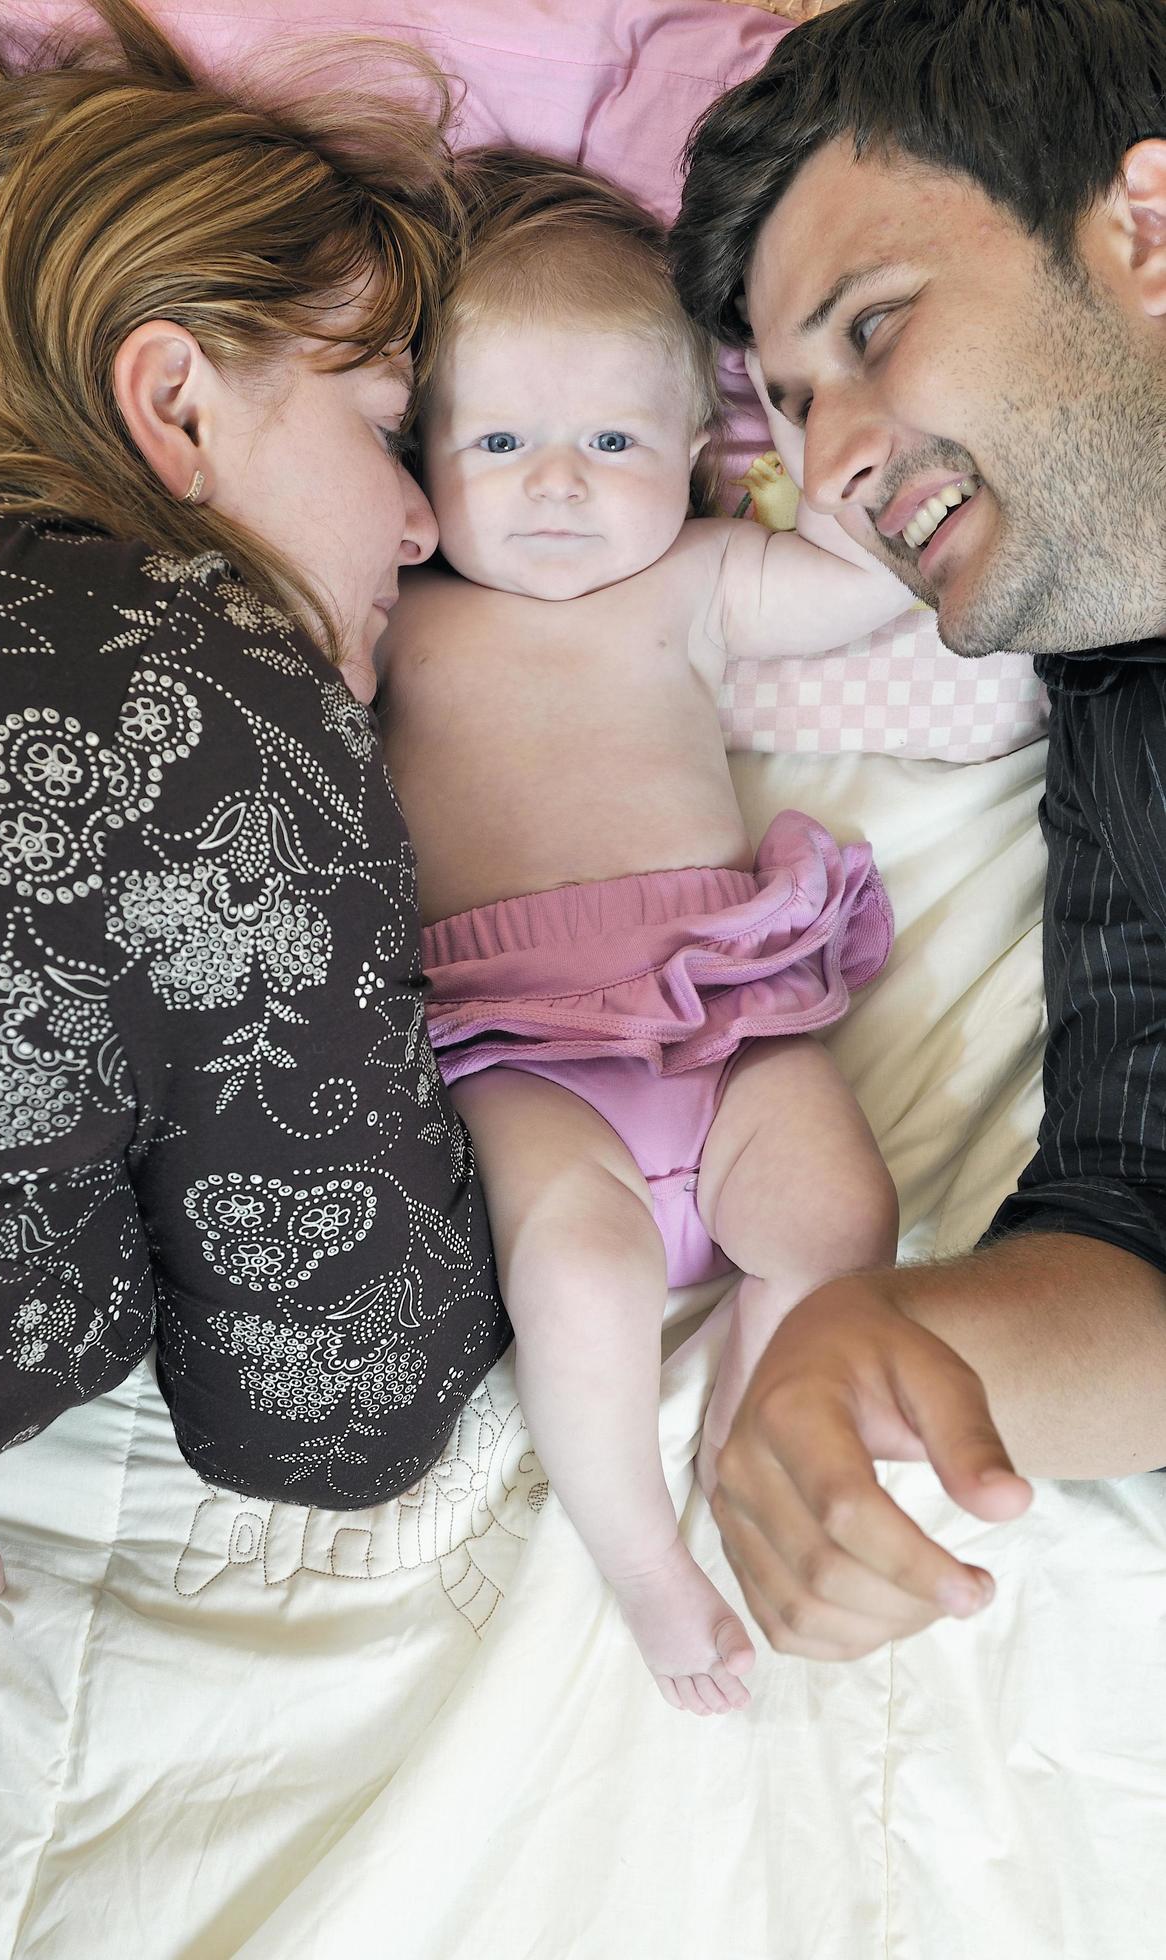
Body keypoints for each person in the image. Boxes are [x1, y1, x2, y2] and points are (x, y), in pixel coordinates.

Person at [0, 0, 511, 1685]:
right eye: (383, 428)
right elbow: (333, 1413)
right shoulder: (199, 705)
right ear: (175, 403)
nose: (429, 523)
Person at [375, 150, 914, 1715]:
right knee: (578, 1272)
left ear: (692, 451)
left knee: (839, 1216)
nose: (556, 483)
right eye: (498, 440)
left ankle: (764, 1405)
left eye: (611, 439)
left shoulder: (689, 578)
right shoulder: (401, 612)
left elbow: (853, 587)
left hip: (721, 1012)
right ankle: (639, 1554)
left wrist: (818, 457)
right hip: (522, 1043)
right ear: (417, 464)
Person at [667, 0, 1166, 1664]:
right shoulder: (1115, 712)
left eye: (870, 330)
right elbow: (1132, 1241)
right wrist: (871, 1338)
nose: (829, 472)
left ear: (1144, 231)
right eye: (790, 407)